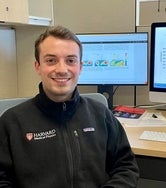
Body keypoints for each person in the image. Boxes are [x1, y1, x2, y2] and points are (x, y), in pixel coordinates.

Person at [0, 25, 139, 187]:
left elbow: (126, 167)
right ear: (38, 66)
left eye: (70, 60)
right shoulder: (12, 122)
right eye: (51, 60)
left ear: (80, 67)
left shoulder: (101, 114)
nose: (61, 69)